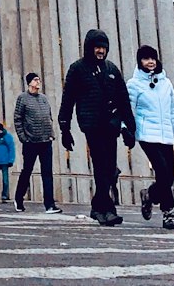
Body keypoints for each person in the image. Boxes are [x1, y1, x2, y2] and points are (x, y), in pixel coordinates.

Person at [58, 28, 136, 227]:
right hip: (92, 124)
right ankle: (107, 209)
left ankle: (98, 206)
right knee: (101, 165)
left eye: (103, 47)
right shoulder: (77, 69)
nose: (101, 51)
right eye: (97, 47)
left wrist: (129, 127)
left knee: (110, 167)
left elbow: (123, 99)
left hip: (111, 125)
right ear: (89, 48)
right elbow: (68, 100)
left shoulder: (112, 69)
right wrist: (64, 128)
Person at [127, 44, 174, 232]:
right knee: (162, 171)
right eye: (146, 59)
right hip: (146, 134)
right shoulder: (133, 84)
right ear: (140, 61)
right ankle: (168, 213)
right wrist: (127, 130)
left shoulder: (166, 83)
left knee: (168, 177)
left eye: (153, 58)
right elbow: (128, 110)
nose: (150, 62)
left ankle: (149, 195)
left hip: (166, 136)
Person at [13, 72, 61, 213]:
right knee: (27, 170)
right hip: (31, 142)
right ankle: (19, 198)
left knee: (47, 173)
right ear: (29, 83)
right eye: (35, 80)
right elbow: (18, 119)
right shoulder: (22, 98)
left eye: (39, 80)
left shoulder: (44, 99)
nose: (38, 82)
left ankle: (49, 204)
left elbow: (49, 117)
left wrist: (51, 134)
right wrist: (23, 137)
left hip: (46, 141)